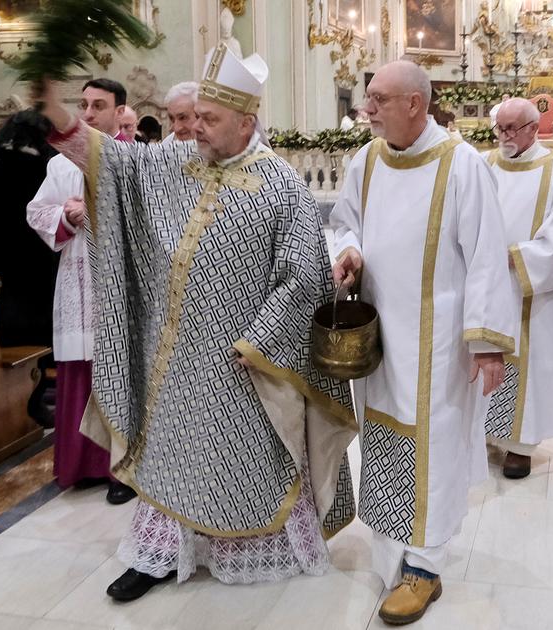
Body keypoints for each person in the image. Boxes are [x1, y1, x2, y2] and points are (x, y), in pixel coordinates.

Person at [31, 43, 358, 601]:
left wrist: (260, 339)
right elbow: (113, 161)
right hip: (175, 356)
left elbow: (305, 274)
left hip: (246, 360)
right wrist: (57, 114)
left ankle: (251, 551)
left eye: (210, 119)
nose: (196, 129)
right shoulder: (175, 164)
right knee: (172, 454)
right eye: (195, 117)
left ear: (246, 121)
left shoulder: (281, 183)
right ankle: (160, 556)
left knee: (240, 459)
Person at [330, 60, 515, 625]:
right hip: (381, 334)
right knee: (384, 437)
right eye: (368, 98)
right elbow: (343, 219)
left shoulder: (460, 165)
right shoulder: (366, 159)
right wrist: (350, 250)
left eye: (379, 99)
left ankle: (425, 568)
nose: (367, 108)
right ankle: (392, 547)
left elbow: (487, 255)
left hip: (439, 342)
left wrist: (486, 342)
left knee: (431, 444)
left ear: (415, 103)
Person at [27, 79, 138, 504]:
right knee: (80, 370)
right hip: (76, 276)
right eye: (84, 105)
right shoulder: (59, 164)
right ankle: (81, 464)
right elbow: (36, 210)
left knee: (119, 370)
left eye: (99, 106)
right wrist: (68, 217)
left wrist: (93, 211)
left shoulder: (131, 159)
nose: (89, 113)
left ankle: (122, 470)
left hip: (118, 281)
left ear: (118, 112)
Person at [482, 99, 553, 480]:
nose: (505, 136)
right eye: (500, 129)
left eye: (512, 129)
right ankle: (486, 432)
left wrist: (522, 258)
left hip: (533, 288)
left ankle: (521, 446)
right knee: (486, 352)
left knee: (531, 360)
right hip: (490, 285)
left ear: (533, 127)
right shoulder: (485, 164)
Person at [0, 111, 59, 425]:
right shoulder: (41, 167)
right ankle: (32, 403)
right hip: (32, 261)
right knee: (35, 334)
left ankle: (9, 406)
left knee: (3, 333)